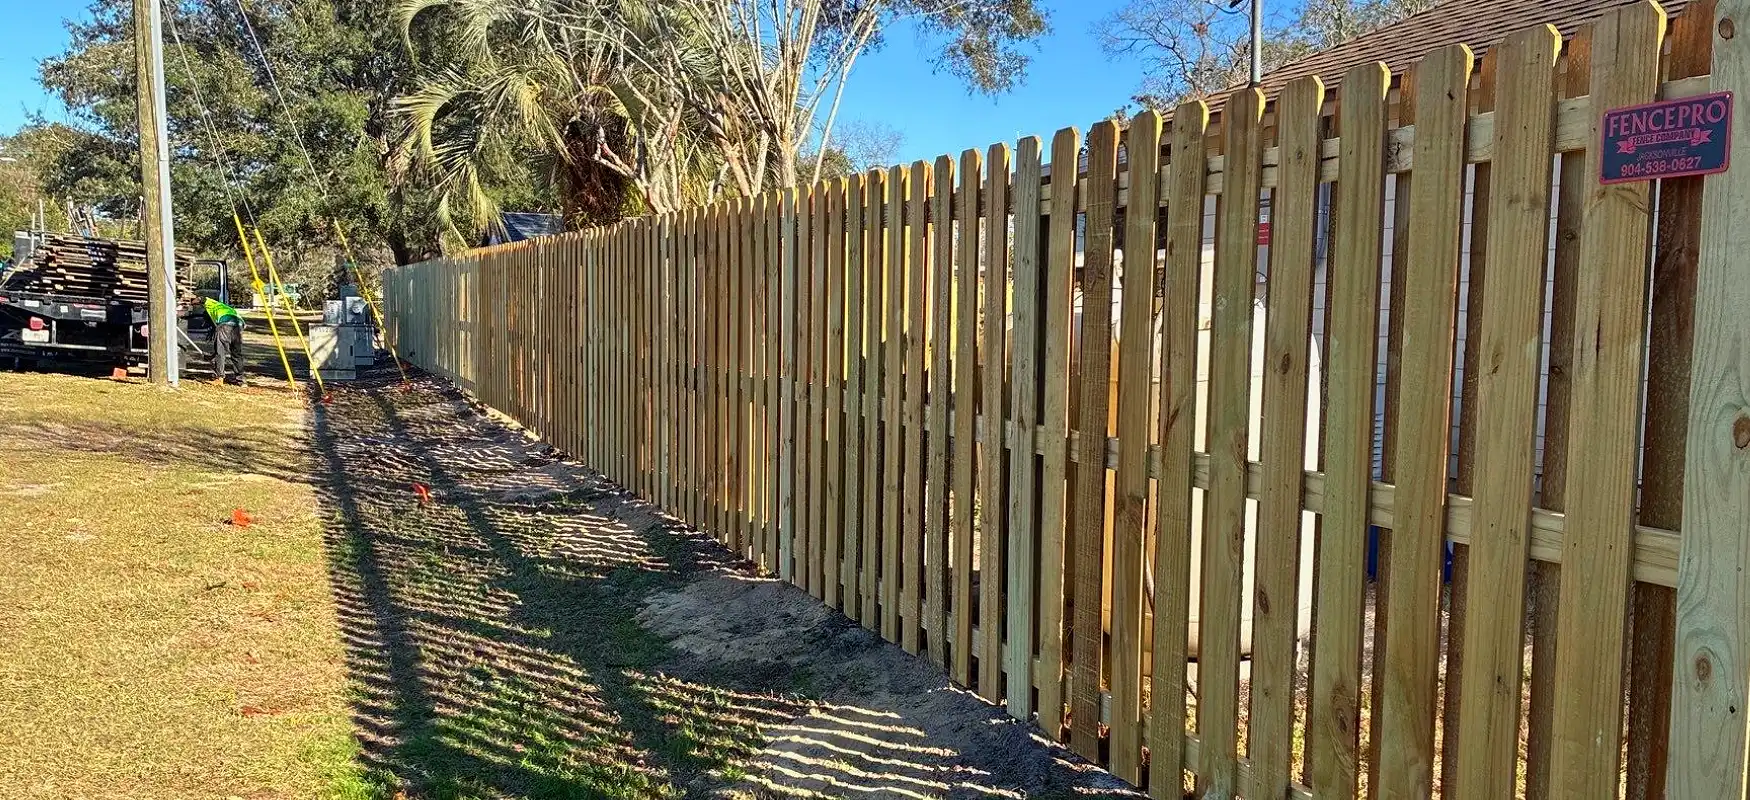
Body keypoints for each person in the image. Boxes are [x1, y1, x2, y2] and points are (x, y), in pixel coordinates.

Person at [184, 292, 245, 384]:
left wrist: (189, 302)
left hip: (225, 324)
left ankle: (219, 378)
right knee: (236, 354)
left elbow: (202, 298)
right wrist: (211, 356)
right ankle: (240, 380)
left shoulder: (212, 304)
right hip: (238, 325)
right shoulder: (226, 309)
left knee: (220, 352)